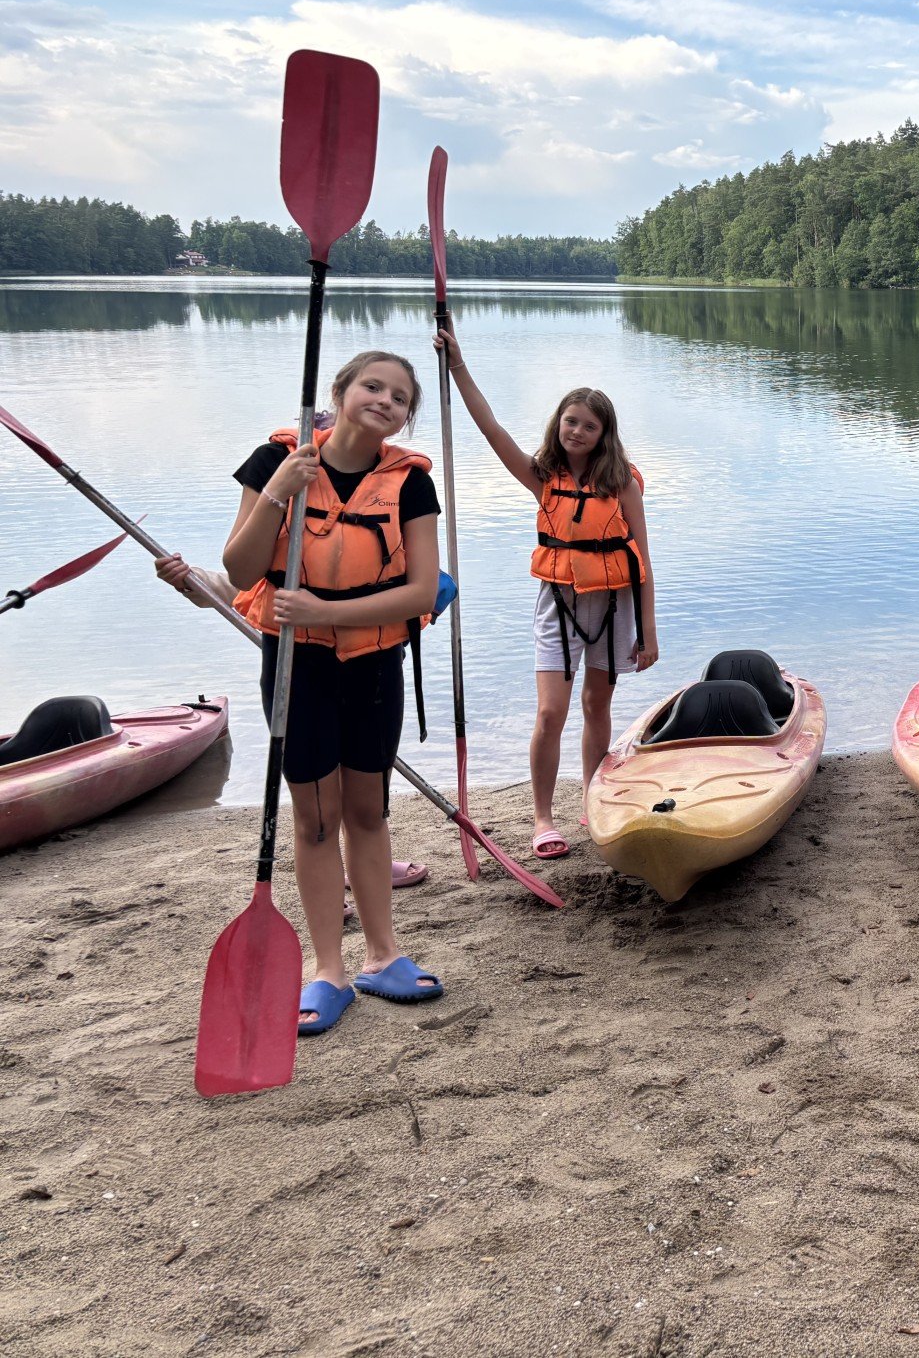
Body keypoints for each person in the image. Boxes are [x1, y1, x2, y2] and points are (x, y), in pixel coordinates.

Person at [222, 351, 445, 1035]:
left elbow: (421, 591)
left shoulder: (410, 485)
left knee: (368, 812)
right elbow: (240, 568)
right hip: (298, 665)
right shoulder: (277, 460)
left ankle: (383, 954)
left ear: (406, 416)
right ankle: (329, 971)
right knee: (316, 819)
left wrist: (327, 611)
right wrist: (278, 490)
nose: (384, 401)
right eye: (372, 387)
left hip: (374, 665)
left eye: (399, 397)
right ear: (341, 392)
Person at [438, 327, 658, 859]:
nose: (577, 431)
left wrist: (649, 634)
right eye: (570, 421)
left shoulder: (622, 483)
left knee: (597, 705)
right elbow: (491, 428)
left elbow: (644, 564)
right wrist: (458, 366)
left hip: (613, 606)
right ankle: (542, 818)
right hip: (557, 605)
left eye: (589, 425)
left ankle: (592, 801)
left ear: (604, 434)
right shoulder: (541, 477)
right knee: (549, 713)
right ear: (558, 424)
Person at [157, 550, 439, 894]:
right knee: (318, 802)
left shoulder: (380, 522)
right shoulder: (291, 529)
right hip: (305, 667)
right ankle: (332, 878)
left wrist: (432, 590)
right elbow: (246, 584)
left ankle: (363, 861)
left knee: (365, 797)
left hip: (371, 662)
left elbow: (422, 582)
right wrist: (191, 580)